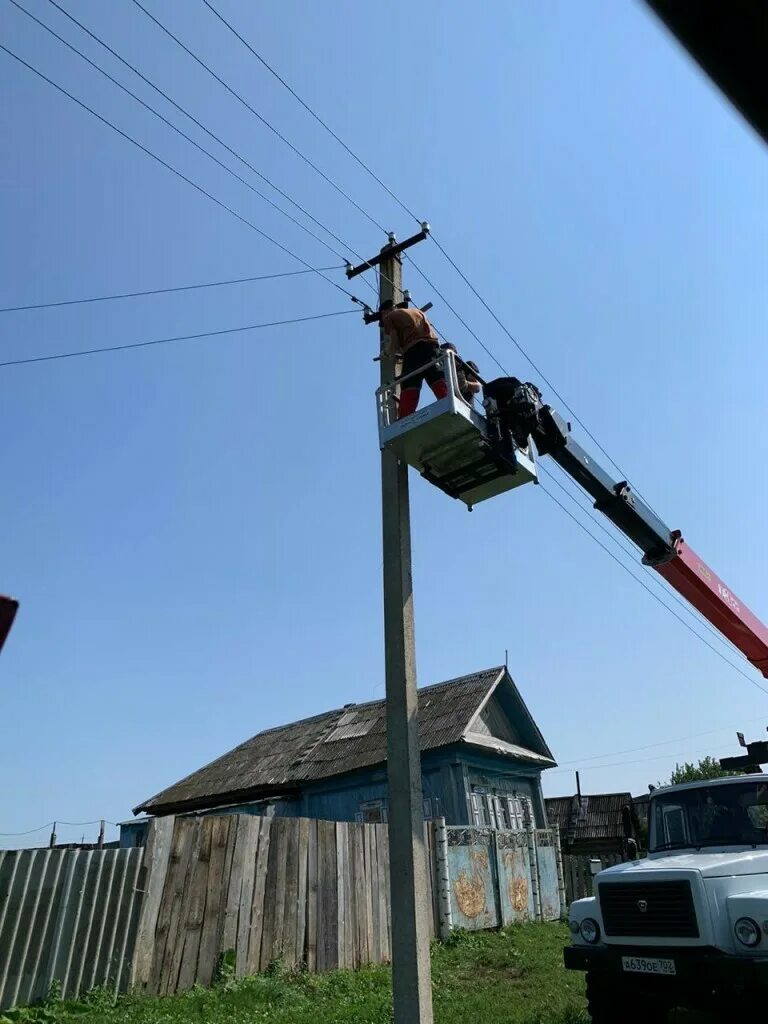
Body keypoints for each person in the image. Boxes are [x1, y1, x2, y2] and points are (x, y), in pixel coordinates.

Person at [379, 300, 448, 418]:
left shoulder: (389, 317)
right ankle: (448, 401)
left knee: (410, 383)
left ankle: (405, 417)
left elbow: (394, 340)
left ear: (384, 312)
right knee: (435, 377)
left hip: (413, 351)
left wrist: (386, 352)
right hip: (432, 348)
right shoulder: (417, 312)